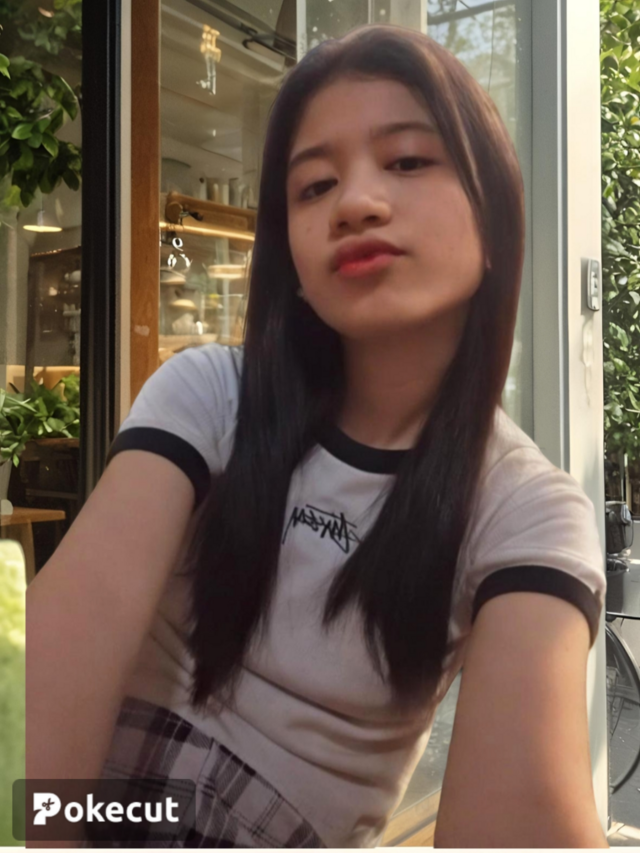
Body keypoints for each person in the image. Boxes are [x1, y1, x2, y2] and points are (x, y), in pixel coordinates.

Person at [27, 23, 609, 849]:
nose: (356, 202)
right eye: (314, 186)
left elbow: (523, 822)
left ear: (495, 220)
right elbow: (54, 672)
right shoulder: (210, 394)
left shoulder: (528, 512)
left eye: (408, 160)